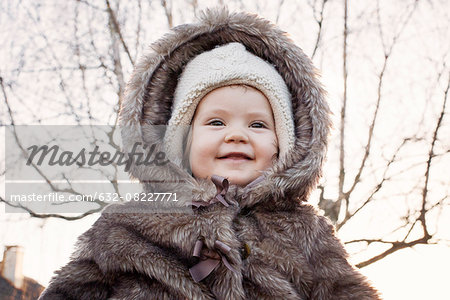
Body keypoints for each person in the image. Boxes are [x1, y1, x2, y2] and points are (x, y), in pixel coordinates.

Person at [39, 8, 380, 300]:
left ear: (284, 148)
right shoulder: (125, 226)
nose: (236, 134)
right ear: (180, 142)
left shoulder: (308, 233)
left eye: (259, 125)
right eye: (216, 121)